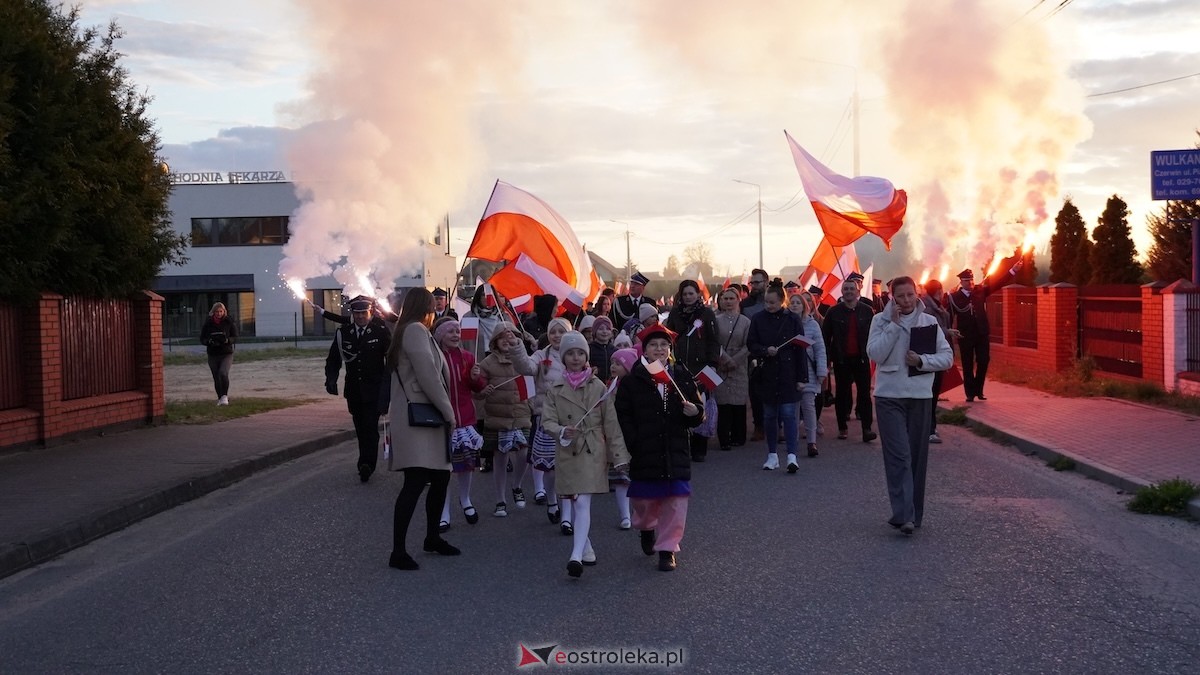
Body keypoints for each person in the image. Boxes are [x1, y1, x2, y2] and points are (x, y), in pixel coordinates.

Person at [866, 276, 953, 535]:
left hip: (919, 397)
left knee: (916, 457)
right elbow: (875, 354)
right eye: (900, 296)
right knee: (899, 455)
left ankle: (914, 514)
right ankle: (903, 515)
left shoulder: (929, 323)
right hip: (889, 396)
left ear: (917, 294)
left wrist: (922, 361)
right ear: (892, 297)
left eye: (910, 295)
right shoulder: (879, 321)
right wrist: (892, 327)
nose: (905, 301)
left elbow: (947, 357)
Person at [614, 324, 704, 572]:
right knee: (644, 501)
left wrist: (696, 413)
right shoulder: (633, 381)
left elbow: (696, 409)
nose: (659, 349)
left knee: (675, 502)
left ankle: (667, 549)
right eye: (653, 345)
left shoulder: (681, 375)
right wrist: (633, 441)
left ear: (670, 349)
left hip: (675, 449)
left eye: (664, 345)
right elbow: (623, 415)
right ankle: (646, 528)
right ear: (645, 350)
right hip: (644, 449)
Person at [542, 331, 630, 578]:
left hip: (592, 449)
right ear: (563, 357)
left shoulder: (599, 387)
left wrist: (619, 455)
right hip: (568, 449)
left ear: (587, 356)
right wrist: (560, 430)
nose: (576, 357)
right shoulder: (554, 389)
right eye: (570, 353)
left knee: (582, 501)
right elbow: (546, 420)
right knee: (574, 500)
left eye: (580, 353)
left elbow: (611, 424)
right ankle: (586, 547)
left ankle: (575, 555)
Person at [385, 288, 460, 570]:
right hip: (420, 416)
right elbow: (428, 375)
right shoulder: (415, 330)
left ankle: (432, 537)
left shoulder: (413, 330)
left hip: (424, 417)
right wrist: (448, 411)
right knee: (415, 482)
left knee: (440, 478)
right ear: (425, 308)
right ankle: (398, 551)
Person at [474, 322, 537, 518]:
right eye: (501, 337)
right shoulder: (486, 363)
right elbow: (476, 391)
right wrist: (483, 390)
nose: (506, 341)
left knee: (524, 454)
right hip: (497, 416)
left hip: (521, 413)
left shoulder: (524, 360)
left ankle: (517, 485)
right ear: (494, 341)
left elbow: (535, 378)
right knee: (500, 459)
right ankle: (500, 500)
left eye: (509, 337)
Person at [324, 295, 390, 482]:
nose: (360, 317)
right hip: (354, 390)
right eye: (357, 313)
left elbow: (391, 361)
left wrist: (388, 388)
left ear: (370, 312)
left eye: (363, 313)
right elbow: (334, 359)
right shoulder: (344, 333)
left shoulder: (380, 331)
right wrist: (331, 379)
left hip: (374, 390)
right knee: (360, 428)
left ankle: (366, 464)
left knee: (370, 427)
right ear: (352, 313)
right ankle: (365, 460)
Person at [433, 318, 487, 532]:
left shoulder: (467, 357)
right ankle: (444, 510)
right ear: (440, 335)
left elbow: (477, 387)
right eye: (450, 332)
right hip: (443, 421)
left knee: (466, 466)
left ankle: (465, 500)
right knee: (445, 469)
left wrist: (476, 378)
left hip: (465, 419)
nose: (456, 335)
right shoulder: (434, 359)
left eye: (458, 331)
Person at [747, 285, 807, 473]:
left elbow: (801, 349)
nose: (769, 305)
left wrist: (802, 377)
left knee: (789, 414)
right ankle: (772, 455)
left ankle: (792, 455)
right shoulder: (757, 319)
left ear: (782, 301)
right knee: (769, 415)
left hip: (788, 372)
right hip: (767, 373)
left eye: (772, 302)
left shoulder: (793, 319)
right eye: (766, 302)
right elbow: (751, 344)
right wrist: (765, 350)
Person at [663, 280, 720, 462]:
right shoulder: (675, 313)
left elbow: (713, 340)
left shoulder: (706, 313)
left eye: (691, 294)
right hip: (680, 366)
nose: (688, 297)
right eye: (685, 294)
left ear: (698, 294)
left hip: (701, 366)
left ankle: (699, 448)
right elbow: (669, 336)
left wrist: (712, 363)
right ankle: (683, 447)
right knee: (681, 404)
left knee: (700, 404)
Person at [948, 264, 1020, 402]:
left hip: (981, 333)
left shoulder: (979, 291)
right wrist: (950, 333)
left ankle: (978, 389)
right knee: (967, 364)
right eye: (967, 280)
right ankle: (970, 393)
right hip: (965, 335)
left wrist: (1012, 271)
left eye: (972, 280)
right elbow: (950, 316)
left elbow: (998, 284)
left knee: (984, 360)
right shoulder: (954, 297)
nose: (971, 283)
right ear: (961, 282)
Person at [823, 279, 878, 443]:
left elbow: (875, 334)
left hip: (861, 358)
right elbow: (826, 338)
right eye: (845, 289)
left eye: (851, 289)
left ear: (858, 291)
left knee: (865, 394)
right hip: (841, 359)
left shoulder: (867, 311)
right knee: (842, 393)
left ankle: (867, 429)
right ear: (842, 291)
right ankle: (842, 427)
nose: (848, 291)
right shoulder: (833, 312)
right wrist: (826, 361)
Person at [531, 318, 572, 532]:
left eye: (561, 332)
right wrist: (519, 349)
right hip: (547, 419)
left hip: (571, 419)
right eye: (553, 332)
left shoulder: (575, 353)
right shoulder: (540, 355)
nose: (556, 336)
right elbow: (526, 366)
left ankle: (567, 516)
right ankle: (552, 501)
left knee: (567, 468)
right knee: (550, 468)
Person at [789, 292, 828, 457]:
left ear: (805, 305)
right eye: (792, 302)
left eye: (798, 302)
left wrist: (821, 371)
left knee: (809, 406)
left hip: (809, 371)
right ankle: (793, 440)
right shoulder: (785, 324)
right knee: (792, 408)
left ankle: (812, 442)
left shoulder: (813, 325)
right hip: (790, 371)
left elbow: (820, 349)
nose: (795, 305)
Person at [713, 288, 750, 452]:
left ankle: (738, 436)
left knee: (738, 401)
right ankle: (724, 438)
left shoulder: (745, 321)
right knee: (723, 402)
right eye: (725, 298)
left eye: (731, 298)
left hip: (739, 366)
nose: (728, 301)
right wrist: (725, 359)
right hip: (721, 365)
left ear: (738, 300)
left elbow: (749, 344)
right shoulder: (715, 320)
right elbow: (713, 342)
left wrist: (736, 360)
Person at [608, 348, 640, 529]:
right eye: (612, 363)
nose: (613, 366)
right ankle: (625, 515)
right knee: (620, 479)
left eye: (618, 363)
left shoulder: (635, 387)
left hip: (632, 438)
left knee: (633, 479)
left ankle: (637, 512)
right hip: (616, 438)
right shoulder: (610, 386)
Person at [921, 279, 955, 444]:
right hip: (930, 358)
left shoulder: (937, 307)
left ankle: (930, 427)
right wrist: (947, 331)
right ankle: (928, 429)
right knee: (930, 396)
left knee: (933, 396)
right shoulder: (927, 308)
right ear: (938, 291)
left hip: (938, 358)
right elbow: (929, 329)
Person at [740, 268, 769, 441]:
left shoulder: (775, 300)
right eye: (752, 282)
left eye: (757, 282)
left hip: (773, 349)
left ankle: (776, 425)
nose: (754, 285)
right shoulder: (745, 305)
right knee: (756, 391)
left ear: (766, 282)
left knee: (774, 390)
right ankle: (759, 425)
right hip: (753, 352)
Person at [200, 302, 237, 406]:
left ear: (224, 311)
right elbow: (202, 338)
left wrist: (227, 340)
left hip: (226, 353)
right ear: (213, 312)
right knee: (216, 376)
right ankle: (220, 397)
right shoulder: (208, 323)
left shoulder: (228, 322)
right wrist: (208, 342)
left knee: (223, 373)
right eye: (217, 312)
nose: (219, 313)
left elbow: (235, 336)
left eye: (221, 311)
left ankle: (225, 396)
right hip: (213, 353)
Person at [461, 284, 507, 360]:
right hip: (479, 359)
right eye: (483, 295)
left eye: (490, 295)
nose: (487, 298)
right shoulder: (469, 317)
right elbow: (466, 343)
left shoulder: (503, 316)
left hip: (500, 358)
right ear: (478, 297)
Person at [589, 316, 617, 382]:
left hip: (611, 383)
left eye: (608, 329)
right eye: (601, 329)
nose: (604, 332)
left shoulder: (615, 350)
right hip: (595, 383)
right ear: (595, 331)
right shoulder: (589, 349)